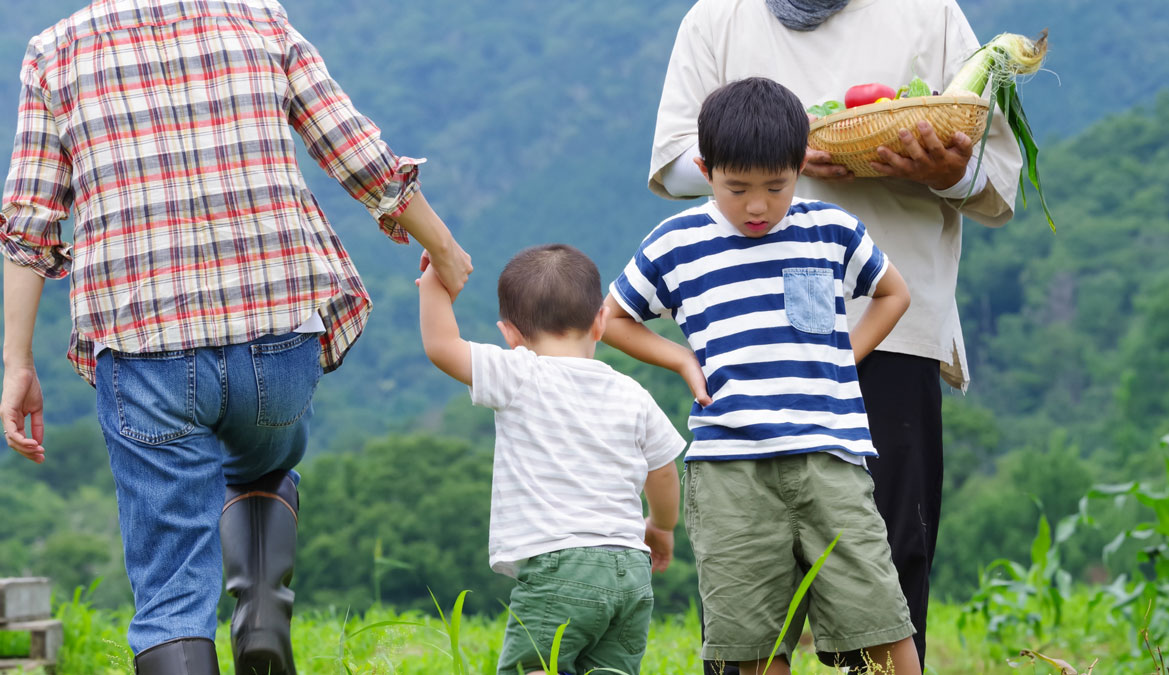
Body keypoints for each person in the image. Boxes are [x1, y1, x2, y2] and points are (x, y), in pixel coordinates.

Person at [0, 0, 471, 673]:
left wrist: (17, 362)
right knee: (262, 462)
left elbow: (29, 227)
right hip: (277, 341)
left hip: (142, 350)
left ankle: (218, 631)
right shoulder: (259, 19)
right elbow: (359, 154)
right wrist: (446, 250)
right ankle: (261, 617)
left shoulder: (55, 51)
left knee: (169, 598)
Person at [648, 1, 1025, 670]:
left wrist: (939, 167)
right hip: (752, 346)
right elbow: (676, 159)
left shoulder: (929, 14)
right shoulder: (718, 18)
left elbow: (997, 177)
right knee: (745, 595)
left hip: (887, 330)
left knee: (887, 571)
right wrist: (788, 154)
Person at [604, 76, 918, 674]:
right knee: (753, 641)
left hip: (830, 456)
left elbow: (893, 293)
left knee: (878, 616)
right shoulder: (679, 242)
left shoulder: (831, 229)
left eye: (776, 186)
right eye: (736, 187)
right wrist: (680, 358)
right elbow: (613, 317)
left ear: (800, 166)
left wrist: (845, 357)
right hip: (730, 472)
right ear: (706, 168)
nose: (756, 206)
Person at [418, 243, 685, 675]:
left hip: (560, 564)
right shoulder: (633, 393)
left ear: (510, 334)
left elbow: (442, 345)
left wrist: (434, 282)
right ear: (600, 320)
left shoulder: (519, 373)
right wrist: (662, 526)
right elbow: (663, 469)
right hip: (631, 568)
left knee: (536, 668)